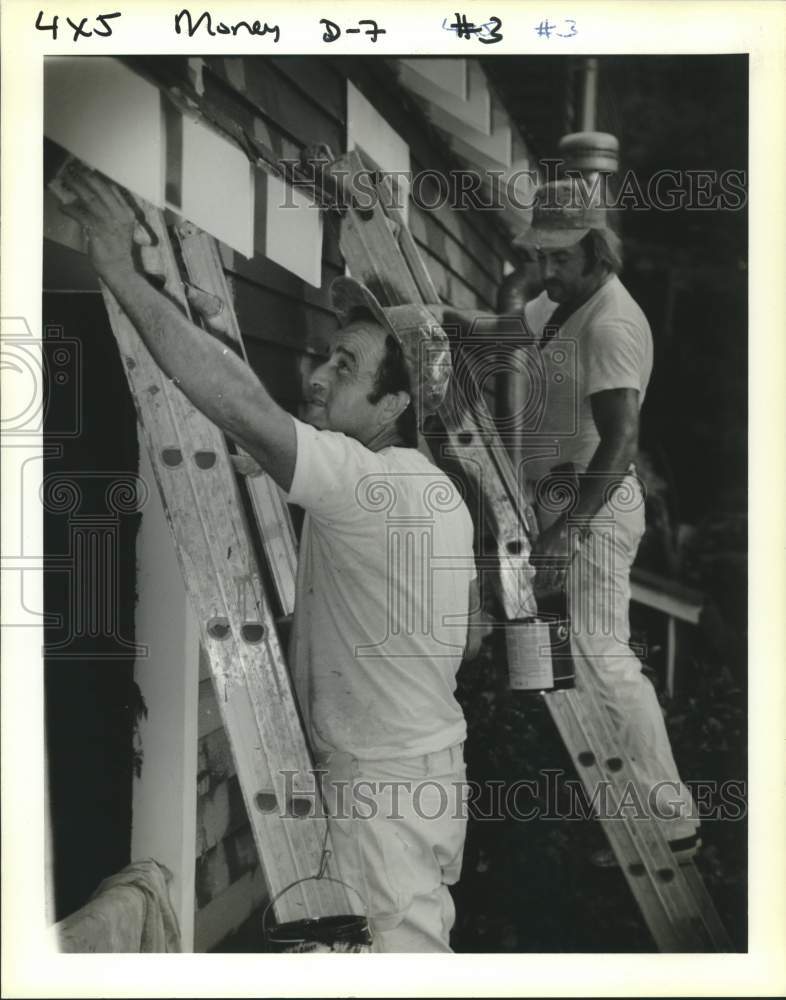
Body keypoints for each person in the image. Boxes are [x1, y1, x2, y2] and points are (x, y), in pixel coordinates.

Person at [58, 164, 479, 950]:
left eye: (346, 368)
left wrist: (119, 269)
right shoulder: (432, 492)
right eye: (326, 355)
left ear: (395, 405)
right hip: (419, 774)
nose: (317, 376)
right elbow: (471, 633)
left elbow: (246, 407)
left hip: (380, 794)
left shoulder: (366, 487)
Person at [512, 178, 701, 864]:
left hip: (593, 507)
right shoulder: (556, 305)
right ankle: (622, 810)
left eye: (562, 257)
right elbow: (504, 328)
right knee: (568, 659)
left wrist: (565, 531)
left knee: (599, 650)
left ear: (597, 251)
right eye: (541, 255)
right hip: (558, 501)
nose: (548, 269)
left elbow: (621, 442)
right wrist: (434, 315)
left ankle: (671, 817)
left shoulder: (611, 322)